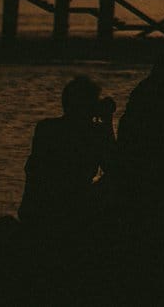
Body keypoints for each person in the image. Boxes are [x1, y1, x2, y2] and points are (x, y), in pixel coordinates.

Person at [19, 76, 114, 226]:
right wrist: (108, 123)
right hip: (71, 209)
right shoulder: (95, 134)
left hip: (37, 209)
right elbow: (114, 168)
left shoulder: (45, 128)